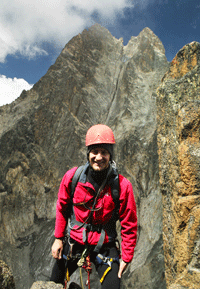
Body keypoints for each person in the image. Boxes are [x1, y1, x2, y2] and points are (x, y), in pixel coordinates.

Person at [50, 124, 137, 289]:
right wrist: (58, 238)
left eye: (104, 152)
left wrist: (126, 257)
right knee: (53, 283)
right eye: (94, 152)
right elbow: (62, 207)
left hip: (105, 245)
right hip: (74, 241)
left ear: (110, 155)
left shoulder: (122, 186)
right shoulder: (72, 178)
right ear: (88, 154)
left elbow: (129, 222)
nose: (99, 157)